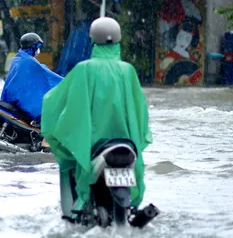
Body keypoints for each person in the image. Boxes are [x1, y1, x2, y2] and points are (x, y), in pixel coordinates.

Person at [41, 17, 152, 219]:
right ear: (119, 40)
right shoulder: (128, 70)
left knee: (69, 162)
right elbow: (140, 111)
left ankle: (73, 212)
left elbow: (58, 101)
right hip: (126, 145)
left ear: (92, 40)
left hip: (93, 148)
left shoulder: (84, 69)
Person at [1, 32, 62, 122]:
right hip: (20, 98)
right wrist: (65, 82)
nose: (38, 50)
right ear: (33, 47)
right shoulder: (30, 61)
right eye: (37, 47)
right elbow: (48, 75)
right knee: (44, 106)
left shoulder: (18, 58)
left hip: (12, 96)